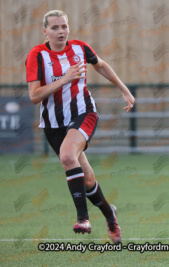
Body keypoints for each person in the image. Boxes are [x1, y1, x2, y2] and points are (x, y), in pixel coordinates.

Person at [25, 10, 135, 243]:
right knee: (86, 179)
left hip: (84, 113)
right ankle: (110, 215)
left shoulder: (80, 48)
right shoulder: (36, 56)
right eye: (55, 27)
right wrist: (64, 79)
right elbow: (34, 96)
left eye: (64, 26)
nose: (61, 31)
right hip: (54, 124)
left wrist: (124, 90)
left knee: (67, 156)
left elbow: (101, 65)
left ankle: (83, 218)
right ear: (45, 31)